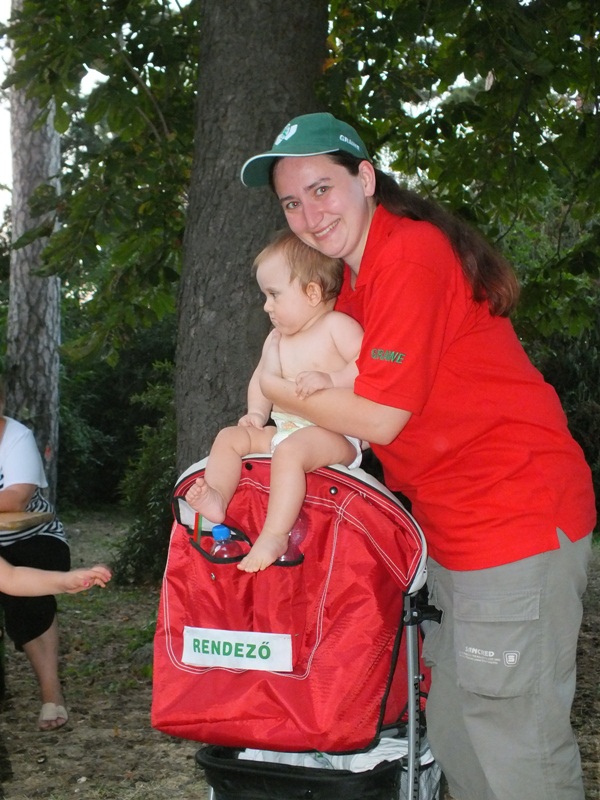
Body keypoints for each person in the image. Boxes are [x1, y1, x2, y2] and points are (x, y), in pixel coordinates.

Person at [240, 113, 596, 800]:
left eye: (322, 189)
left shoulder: (409, 255)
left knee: (514, 737)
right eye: (291, 202)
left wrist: (276, 390)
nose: (310, 215)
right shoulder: (356, 283)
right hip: (450, 526)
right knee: (458, 727)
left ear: (365, 178)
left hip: (512, 513)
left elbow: (380, 417)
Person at [185, 228, 364, 572]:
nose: (266, 306)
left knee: (290, 451)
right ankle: (217, 497)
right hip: (285, 429)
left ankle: (275, 534)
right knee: (230, 437)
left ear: (312, 292)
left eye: (274, 295)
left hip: (334, 435)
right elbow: (261, 378)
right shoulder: (277, 338)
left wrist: (332, 379)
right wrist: (256, 413)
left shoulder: (336, 326)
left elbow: (368, 365)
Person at [0, 380, 98, 732]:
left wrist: (66, 580)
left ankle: (50, 693)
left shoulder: (17, 437)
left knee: (26, 596)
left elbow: (16, 499)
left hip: (34, 536)